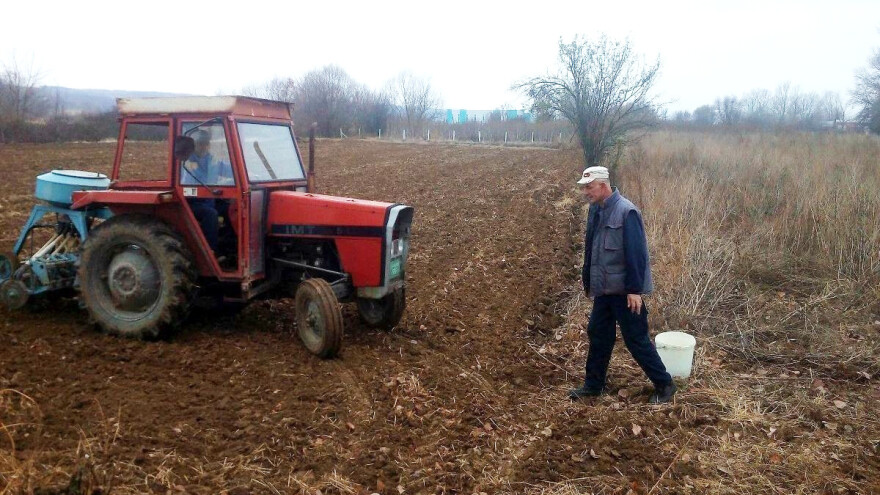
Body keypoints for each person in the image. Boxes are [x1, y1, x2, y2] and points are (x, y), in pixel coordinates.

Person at [568, 166, 677, 404]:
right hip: (604, 291)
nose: (585, 192)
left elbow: (637, 254)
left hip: (625, 292)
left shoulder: (627, 212)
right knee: (598, 334)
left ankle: (665, 385)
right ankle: (593, 385)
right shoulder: (596, 210)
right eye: (584, 188)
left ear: (603, 185)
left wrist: (634, 290)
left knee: (636, 339)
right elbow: (592, 250)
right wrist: (589, 280)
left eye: (589, 187)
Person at [182, 130, 233, 253]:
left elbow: (227, 170)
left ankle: (230, 248)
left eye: (206, 143)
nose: (204, 146)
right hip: (192, 202)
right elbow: (194, 182)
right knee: (210, 214)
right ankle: (211, 251)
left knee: (233, 209)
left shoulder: (210, 159)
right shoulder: (187, 162)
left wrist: (248, 174)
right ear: (194, 145)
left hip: (209, 200)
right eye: (200, 144)